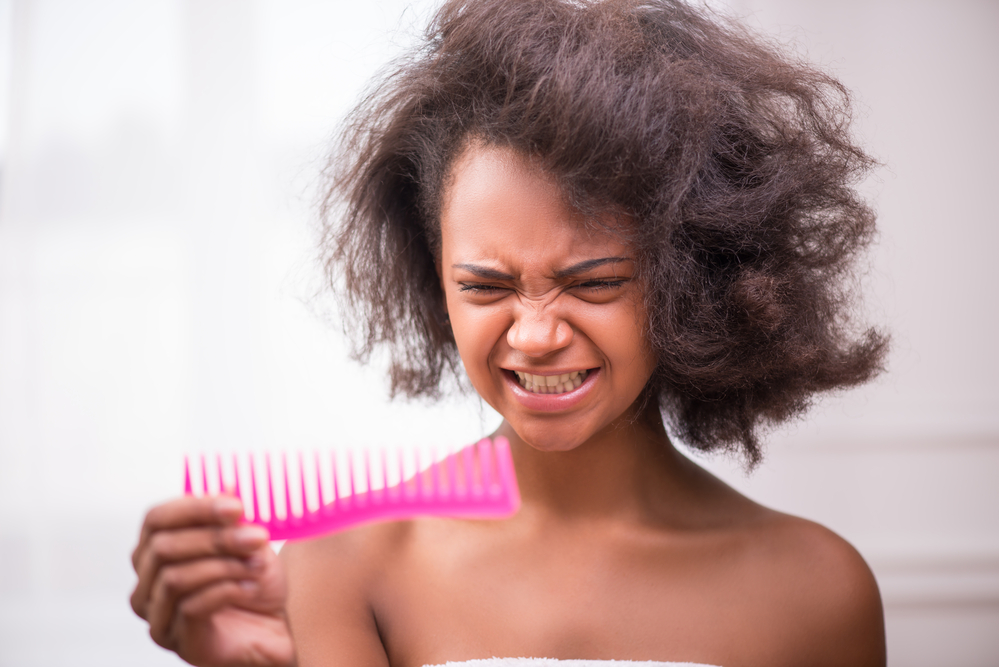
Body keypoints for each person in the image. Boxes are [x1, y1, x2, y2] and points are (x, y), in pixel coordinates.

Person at [129, 1, 889, 665]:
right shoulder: (341, 566)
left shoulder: (816, 592)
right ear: (437, 282)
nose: (532, 335)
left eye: (592, 282)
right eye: (486, 286)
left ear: (691, 280)